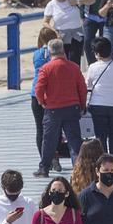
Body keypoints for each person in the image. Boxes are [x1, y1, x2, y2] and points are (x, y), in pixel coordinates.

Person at [33, 41, 88, 180]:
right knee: (74, 141)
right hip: (72, 107)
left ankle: (44, 168)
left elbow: (38, 88)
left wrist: (42, 101)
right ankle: (78, 169)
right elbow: (82, 88)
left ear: (50, 52)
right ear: (63, 50)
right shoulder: (73, 67)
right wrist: (82, 104)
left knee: (49, 140)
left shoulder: (46, 68)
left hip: (52, 109)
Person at [43, 0, 88, 64]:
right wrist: (54, 31)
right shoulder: (51, 5)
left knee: (75, 62)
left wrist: (79, 1)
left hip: (77, 35)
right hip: (61, 36)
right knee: (62, 62)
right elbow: (45, 22)